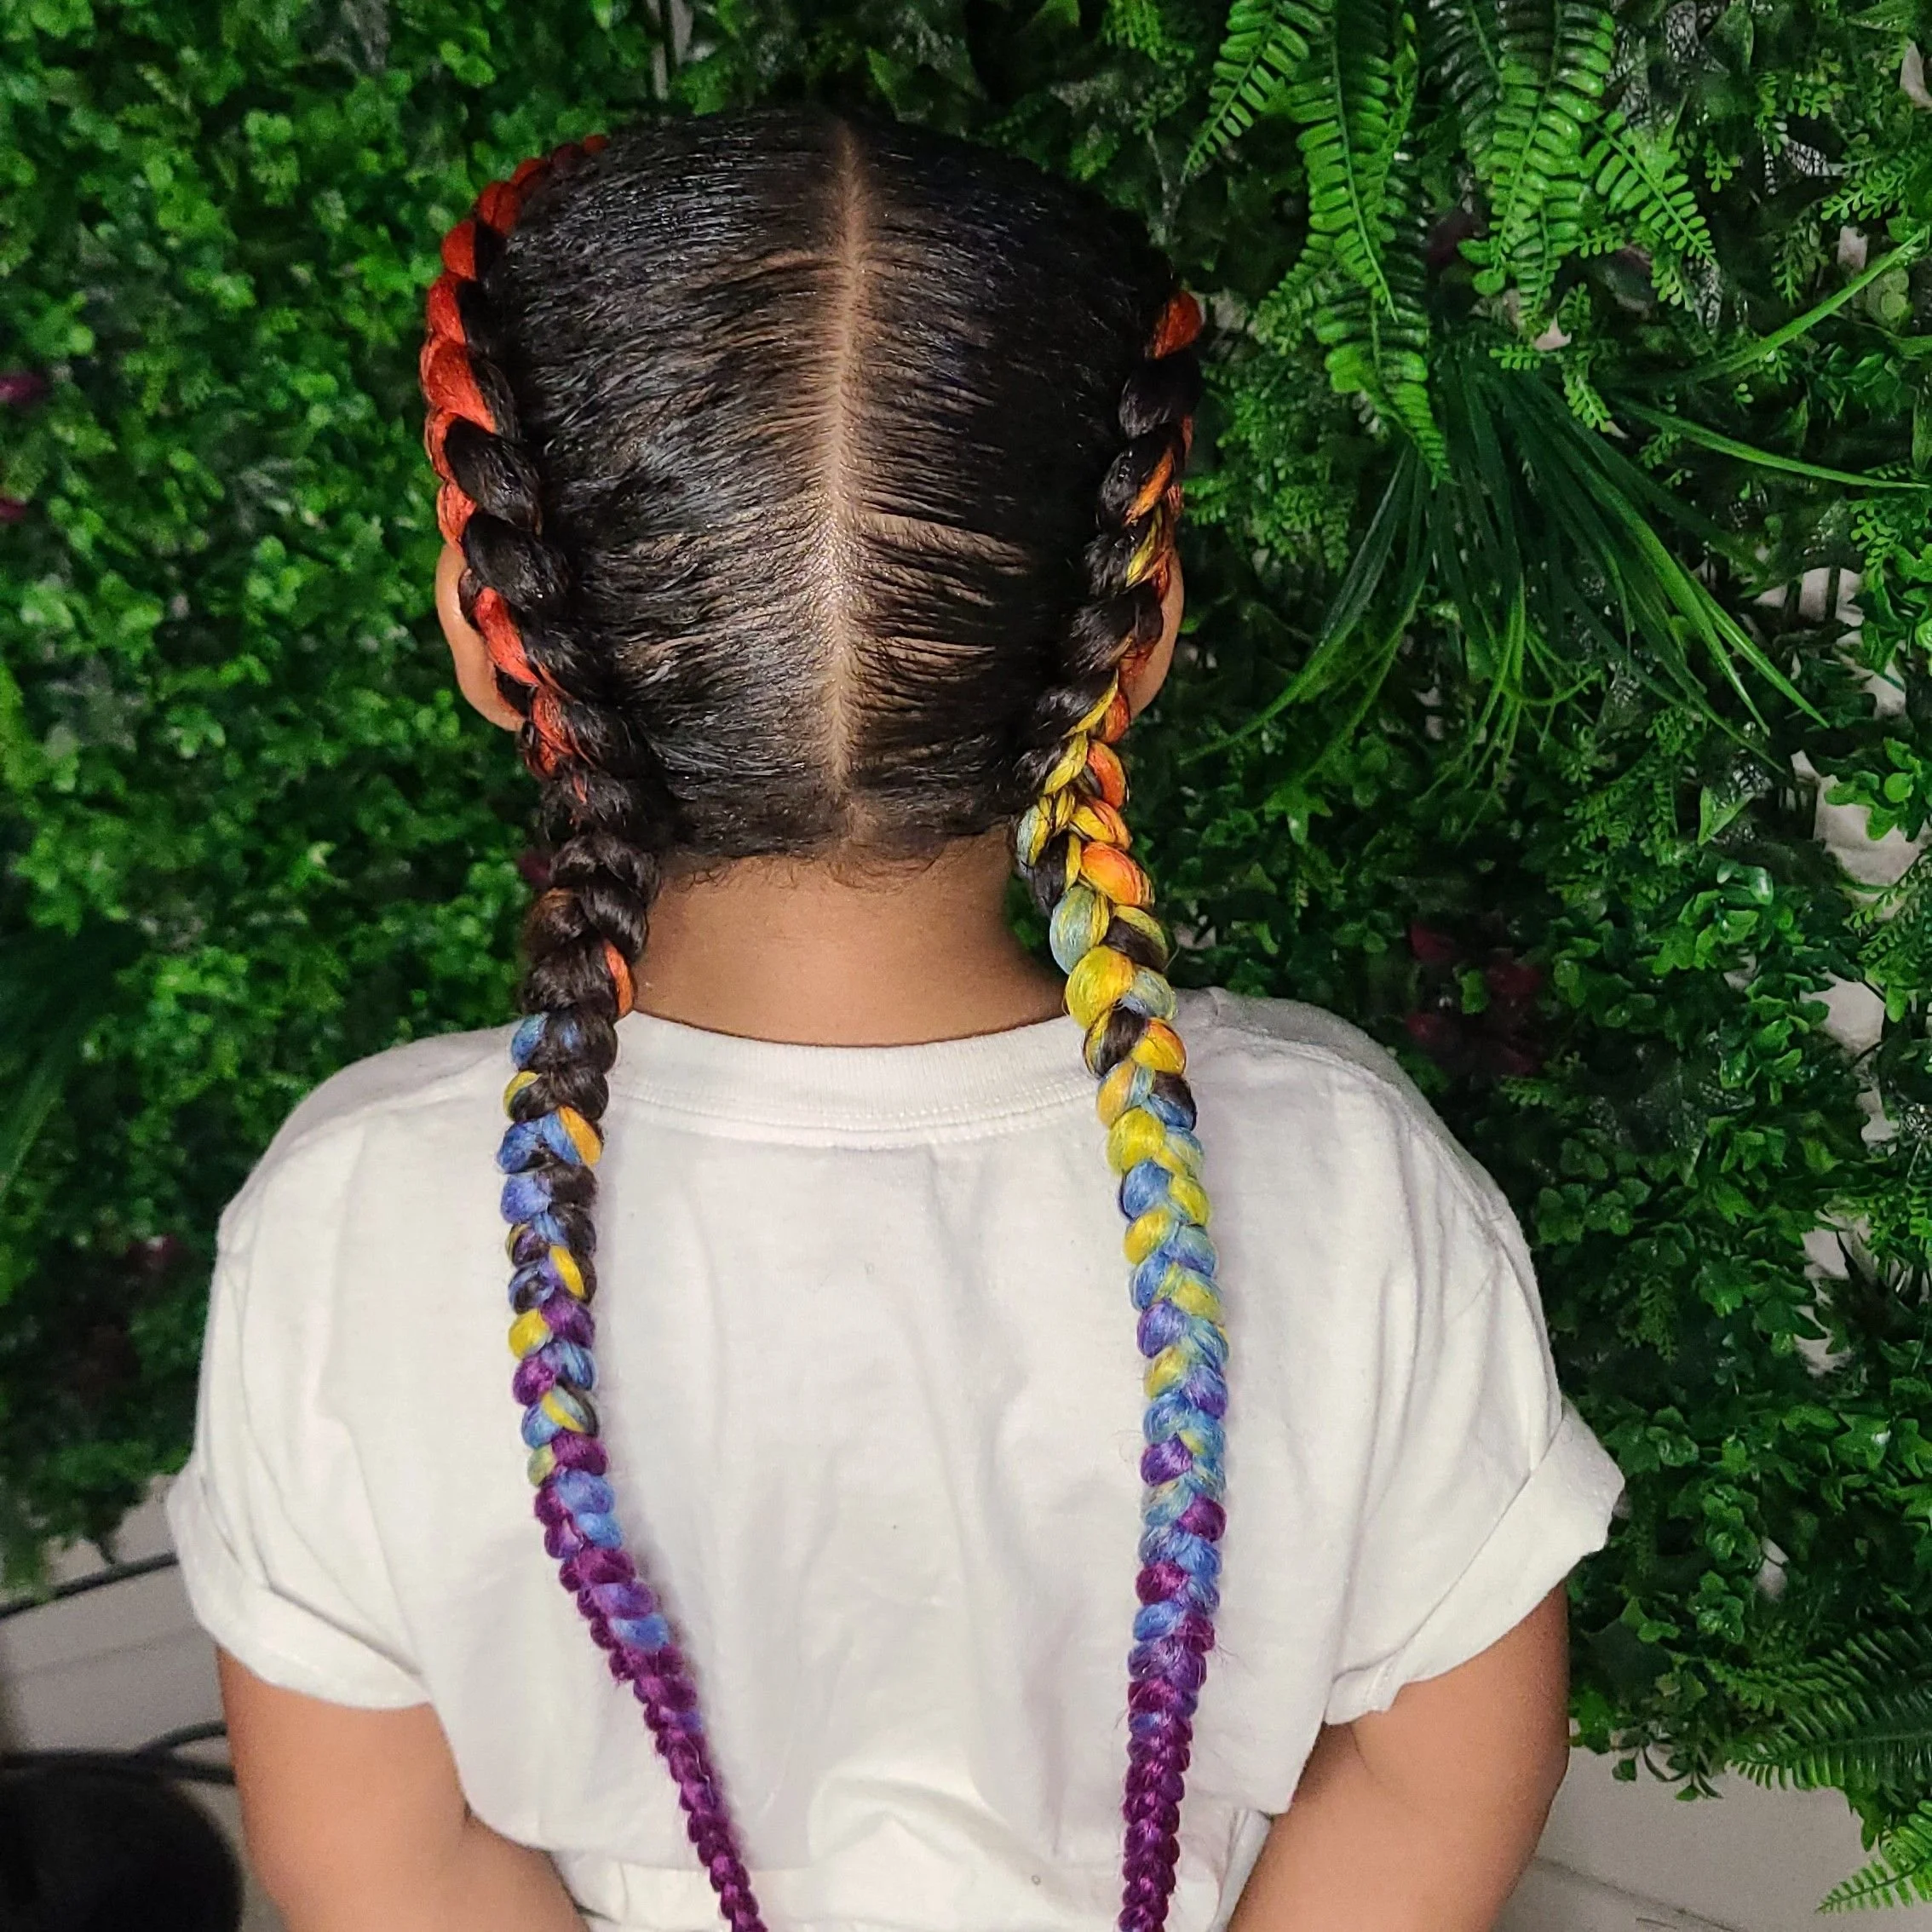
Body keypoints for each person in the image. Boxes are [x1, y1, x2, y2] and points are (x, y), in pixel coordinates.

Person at [164, 108, 1626, 1932]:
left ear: (492, 630)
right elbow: (1435, 1777)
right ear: (1139, 640)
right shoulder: (1352, 1182)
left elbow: (382, 1864)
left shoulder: (350, 1224)